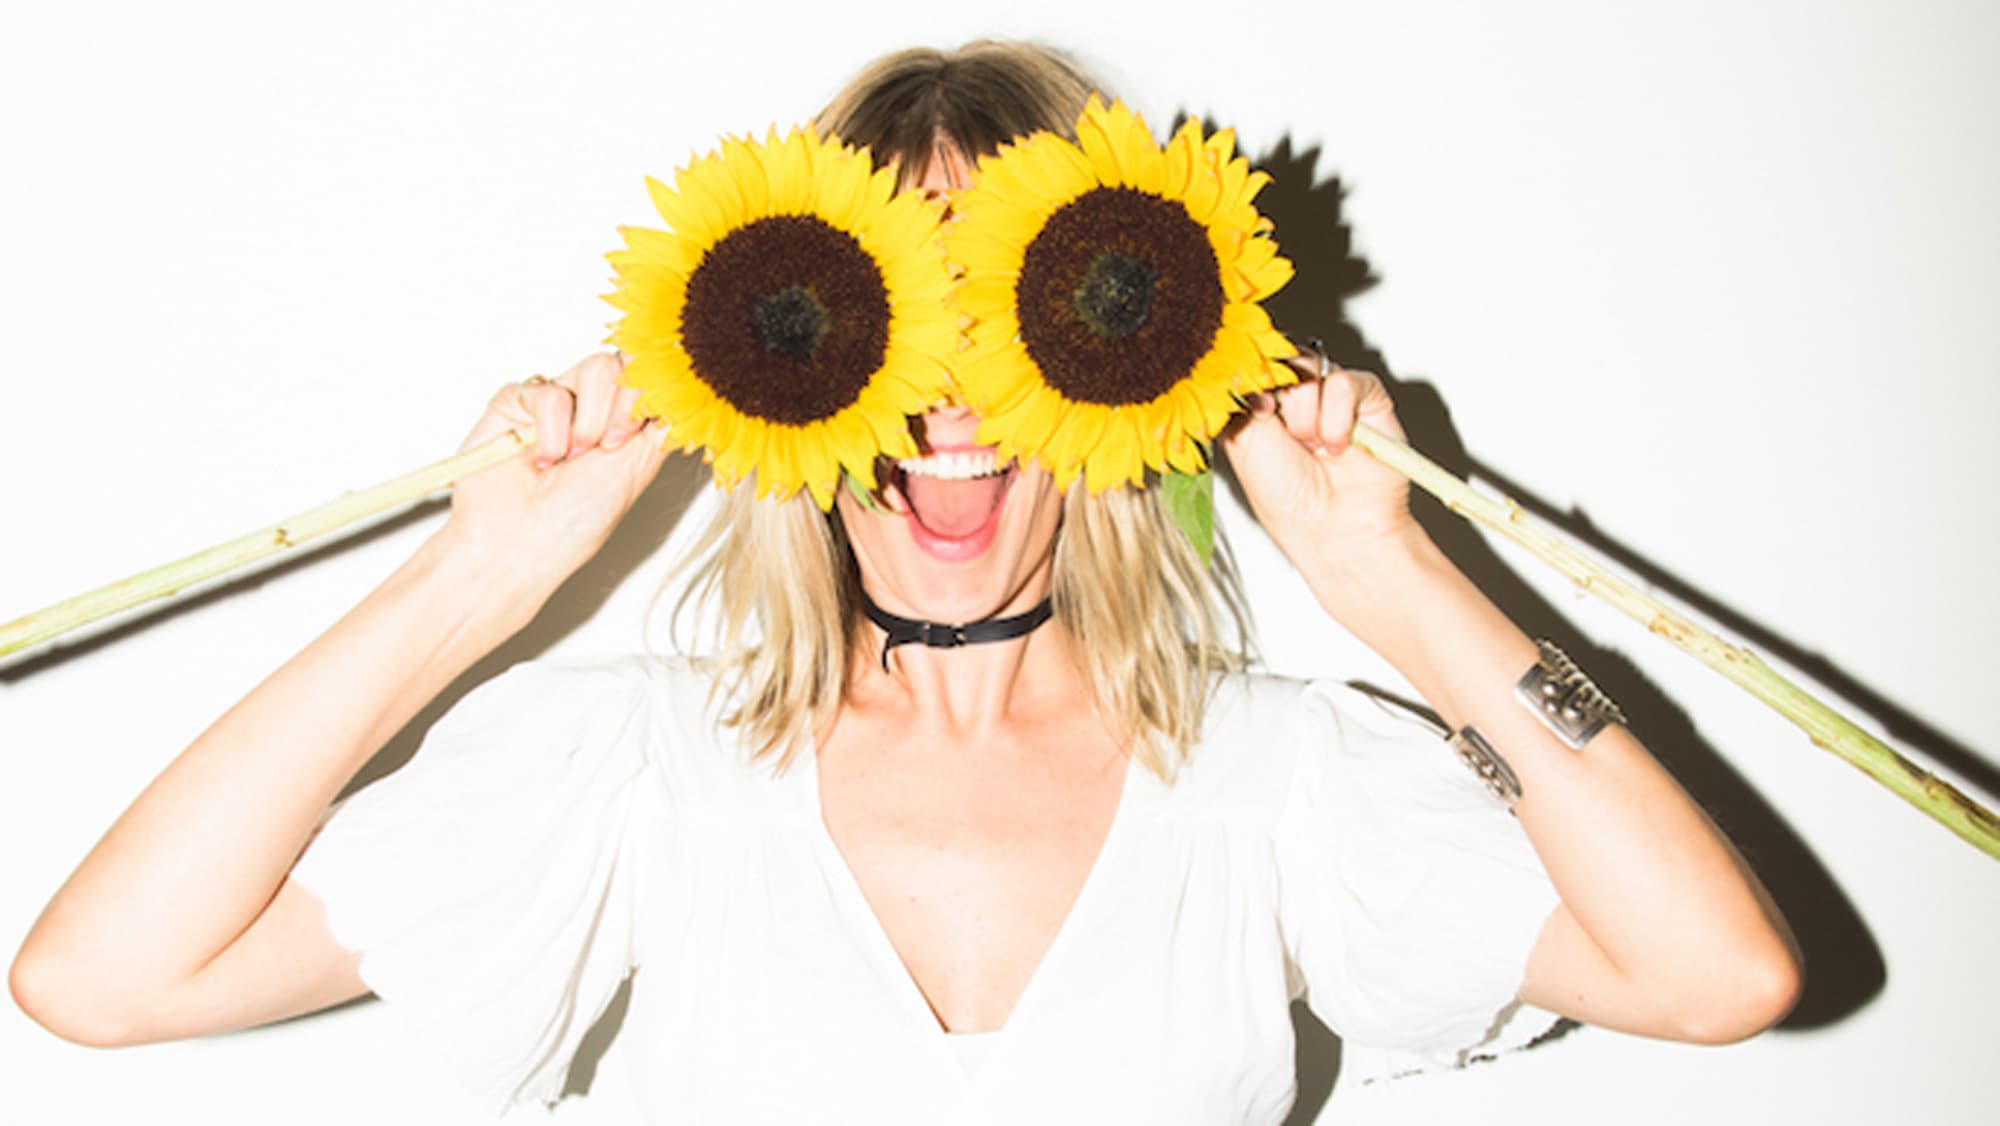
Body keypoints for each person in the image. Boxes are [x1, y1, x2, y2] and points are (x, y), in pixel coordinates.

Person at [9, 41, 1799, 1124]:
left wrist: (1397, 581)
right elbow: (101, 978)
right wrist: (476, 579)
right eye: (890, 313)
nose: (949, 402)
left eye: (1018, 313)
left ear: (1132, 367)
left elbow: (1716, 972)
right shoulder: (641, 768)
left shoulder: (1275, 781)